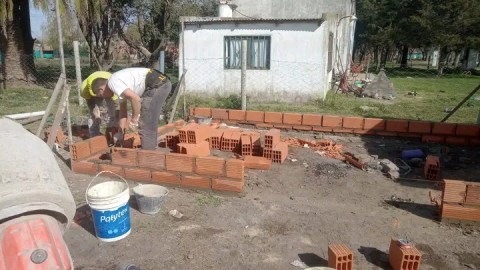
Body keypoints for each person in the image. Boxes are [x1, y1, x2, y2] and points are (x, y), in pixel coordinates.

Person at [91, 67, 172, 150]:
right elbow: (123, 112)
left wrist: (134, 120)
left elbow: (136, 99)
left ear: (101, 89)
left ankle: (148, 155)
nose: (104, 97)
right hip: (160, 83)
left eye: (101, 95)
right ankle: (151, 150)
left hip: (156, 85)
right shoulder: (119, 86)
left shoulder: (113, 82)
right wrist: (120, 133)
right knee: (149, 121)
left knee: (145, 122)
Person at [80, 71, 119, 138]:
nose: (102, 98)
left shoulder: (114, 86)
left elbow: (118, 106)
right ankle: (94, 136)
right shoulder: (84, 89)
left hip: (110, 88)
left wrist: (116, 120)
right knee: (94, 116)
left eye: (102, 95)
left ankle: (112, 134)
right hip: (96, 90)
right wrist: (96, 116)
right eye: (100, 96)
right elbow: (91, 105)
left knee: (115, 114)